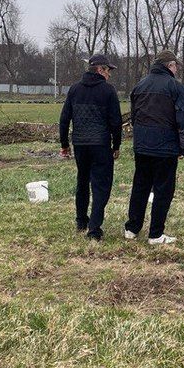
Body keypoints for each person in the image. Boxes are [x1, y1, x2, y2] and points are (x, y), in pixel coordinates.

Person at [124, 50, 184, 245]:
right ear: (170, 65)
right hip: (165, 147)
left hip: (142, 145)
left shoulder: (140, 85)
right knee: (163, 190)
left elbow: (134, 116)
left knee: (140, 186)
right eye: (176, 66)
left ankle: (132, 228)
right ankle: (156, 234)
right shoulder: (175, 88)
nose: (177, 69)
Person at [59, 54, 124, 241]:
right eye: (108, 70)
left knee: (82, 182)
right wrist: (116, 144)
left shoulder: (74, 89)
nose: (110, 75)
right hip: (100, 145)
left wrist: (65, 144)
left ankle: (81, 221)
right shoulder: (108, 91)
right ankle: (94, 229)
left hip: (80, 144)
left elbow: (64, 119)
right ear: (100, 69)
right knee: (101, 186)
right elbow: (115, 121)